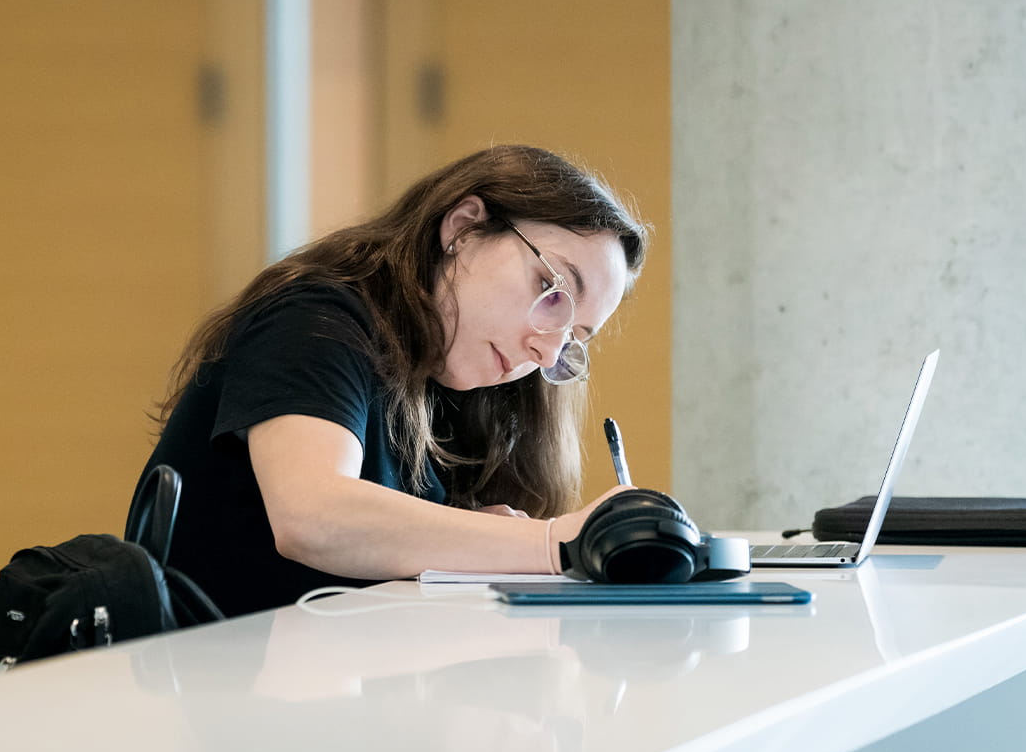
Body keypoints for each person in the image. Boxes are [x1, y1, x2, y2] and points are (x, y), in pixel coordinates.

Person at [134, 144, 649, 617]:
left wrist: (477, 538)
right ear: (464, 228)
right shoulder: (314, 320)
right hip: (208, 693)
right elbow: (313, 516)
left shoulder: (452, 383)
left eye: (574, 336)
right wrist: (552, 543)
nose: (547, 347)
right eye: (551, 288)